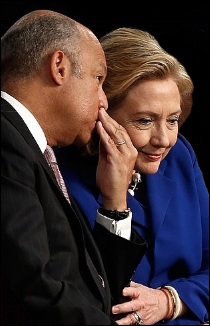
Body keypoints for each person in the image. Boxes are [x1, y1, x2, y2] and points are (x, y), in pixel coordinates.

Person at [1, 13, 149, 325]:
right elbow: (32, 287)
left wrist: (114, 203)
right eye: (98, 79)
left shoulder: (33, 150)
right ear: (59, 67)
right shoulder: (6, 139)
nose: (103, 102)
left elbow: (96, 292)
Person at [56, 27, 209, 325]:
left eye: (173, 120)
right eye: (144, 120)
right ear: (101, 112)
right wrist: (114, 199)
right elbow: (98, 299)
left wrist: (170, 300)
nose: (164, 139)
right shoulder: (59, 172)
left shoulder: (179, 157)